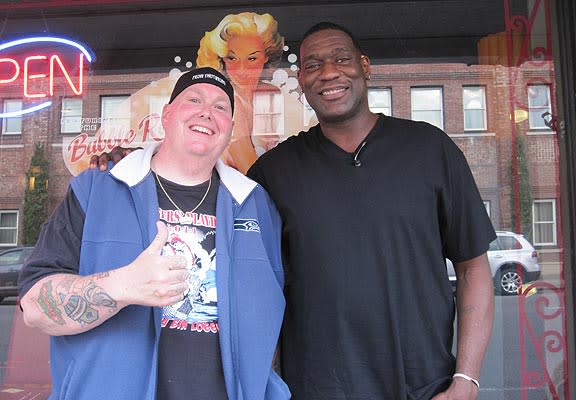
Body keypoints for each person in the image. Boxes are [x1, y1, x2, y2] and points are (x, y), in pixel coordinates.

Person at [246, 22, 496, 400]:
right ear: (300, 80)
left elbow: (472, 266)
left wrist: (467, 379)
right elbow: (258, 290)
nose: (329, 72)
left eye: (341, 59)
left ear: (365, 66)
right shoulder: (273, 172)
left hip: (425, 387)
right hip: (316, 389)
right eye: (313, 65)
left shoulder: (430, 150)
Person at [18, 67, 290, 400]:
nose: (207, 111)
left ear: (230, 130)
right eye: (194, 99)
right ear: (166, 116)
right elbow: (33, 307)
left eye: (221, 107)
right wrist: (121, 286)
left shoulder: (255, 204)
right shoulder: (96, 191)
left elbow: (275, 317)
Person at [196, 12, 285, 174]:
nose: (242, 69)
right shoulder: (227, 103)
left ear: (266, 56)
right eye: (232, 58)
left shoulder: (269, 94)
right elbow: (254, 175)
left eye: (252, 59)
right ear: (222, 58)